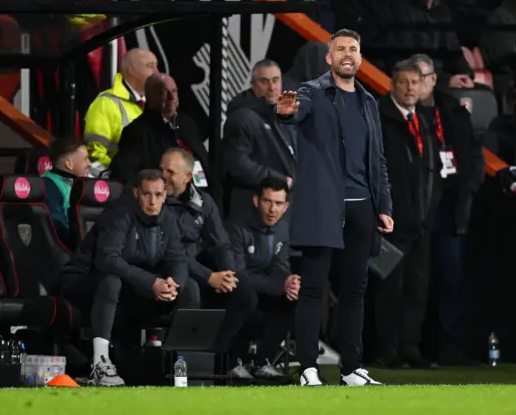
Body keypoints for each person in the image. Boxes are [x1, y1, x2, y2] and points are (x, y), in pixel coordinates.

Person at [276, 28, 392, 386]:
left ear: (360, 58)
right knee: (313, 288)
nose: (347, 54)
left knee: (355, 290)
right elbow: (295, 112)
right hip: (324, 207)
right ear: (329, 58)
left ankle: (351, 368)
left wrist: (384, 204)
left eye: (353, 49)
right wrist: (285, 113)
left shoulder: (369, 102)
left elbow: (379, 161)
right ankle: (308, 367)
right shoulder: (312, 92)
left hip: (362, 207)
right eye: (340, 48)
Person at [59, 169, 200, 386]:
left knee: (189, 286)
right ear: (136, 193)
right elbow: (107, 259)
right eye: (146, 194)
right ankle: (100, 363)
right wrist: (152, 282)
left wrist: (174, 283)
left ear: (165, 196)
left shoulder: (169, 218)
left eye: (158, 195)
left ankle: (178, 361)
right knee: (111, 280)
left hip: (130, 286)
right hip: (84, 281)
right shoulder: (119, 214)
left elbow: (178, 259)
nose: (152, 201)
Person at [409, 53, 485, 366]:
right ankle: (408, 346)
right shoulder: (400, 113)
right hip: (414, 209)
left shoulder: (452, 111)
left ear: (433, 80)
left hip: (450, 207)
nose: (416, 84)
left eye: (421, 78)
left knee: (451, 277)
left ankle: (451, 346)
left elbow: (474, 157)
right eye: (410, 79)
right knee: (413, 279)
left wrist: (469, 190)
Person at [375, 60, 433, 368]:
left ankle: (410, 347)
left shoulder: (422, 121)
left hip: (420, 223)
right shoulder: (380, 120)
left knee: (416, 290)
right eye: (404, 82)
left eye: (415, 82)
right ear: (392, 85)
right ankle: (387, 350)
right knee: (389, 290)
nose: (410, 88)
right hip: (390, 222)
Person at [221, 177, 298, 381]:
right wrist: (279, 285)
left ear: (286, 206)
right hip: (232, 292)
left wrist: (289, 283)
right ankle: (233, 361)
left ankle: (263, 362)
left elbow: (281, 265)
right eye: (267, 201)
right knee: (245, 296)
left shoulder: (283, 229)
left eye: (278, 203)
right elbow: (237, 273)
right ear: (257, 201)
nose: (272, 209)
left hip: (263, 289)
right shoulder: (236, 227)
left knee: (294, 297)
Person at [222, 59, 296, 225]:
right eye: (264, 81)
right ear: (253, 85)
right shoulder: (242, 117)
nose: (272, 87)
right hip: (251, 211)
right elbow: (237, 164)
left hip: (282, 211)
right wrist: (278, 180)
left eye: (275, 80)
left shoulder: (282, 114)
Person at [109, 73, 211, 190]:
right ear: (150, 96)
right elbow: (126, 175)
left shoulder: (187, 123)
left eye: (174, 91)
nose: (172, 97)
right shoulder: (136, 131)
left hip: (201, 196)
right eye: (164, 92)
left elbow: (205, 164)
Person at [160, 148, 237, 292]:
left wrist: (228, 275)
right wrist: (209, 276)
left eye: (170, 172)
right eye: (161, 170)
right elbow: (171, 252)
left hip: (197, 263)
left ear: (188, 177)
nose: (162, 176)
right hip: (169, 266)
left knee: (244, 294)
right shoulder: (155, 202)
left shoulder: (204, 201)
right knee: (191, 289)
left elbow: (221, 243)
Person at [84, 48, 158, 175]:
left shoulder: (154, 104)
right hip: (121, 185)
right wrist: (125, 176)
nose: (157, 72)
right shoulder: (106, 103)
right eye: (150, 66)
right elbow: (94, 155)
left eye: (156, 66)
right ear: (132, 70)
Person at [42, 138, 91, 243]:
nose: (89, 164)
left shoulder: (82, 184)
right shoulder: (49, 186)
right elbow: (58, 228)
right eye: (85, 159)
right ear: (69, 164)